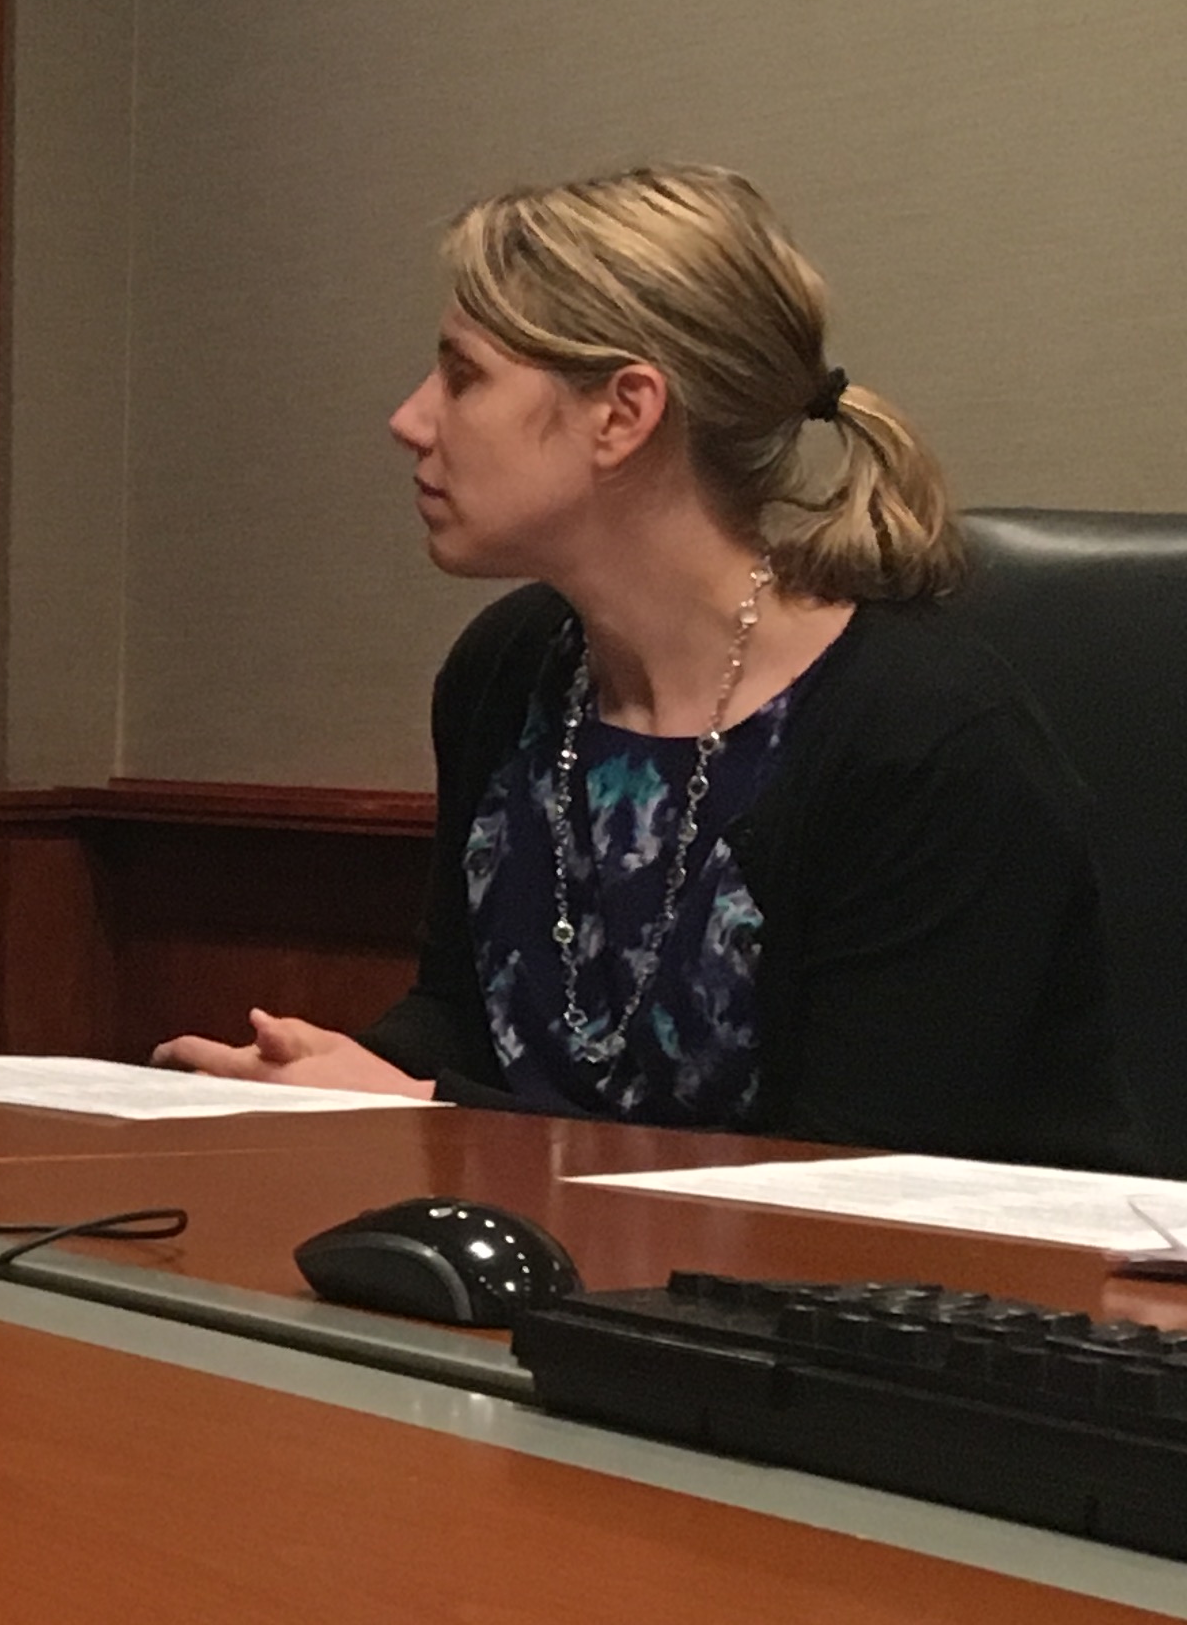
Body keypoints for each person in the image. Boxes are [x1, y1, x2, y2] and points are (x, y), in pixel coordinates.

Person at [155, 163, 1128, 1168]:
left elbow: (854, 1185)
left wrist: (426, 1108)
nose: (411, 419)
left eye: (463, 376)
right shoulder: (505, 669)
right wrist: (324, 1076)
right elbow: (468, 1020)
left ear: (622, 414)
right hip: (562, 1245)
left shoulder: (929, 743)